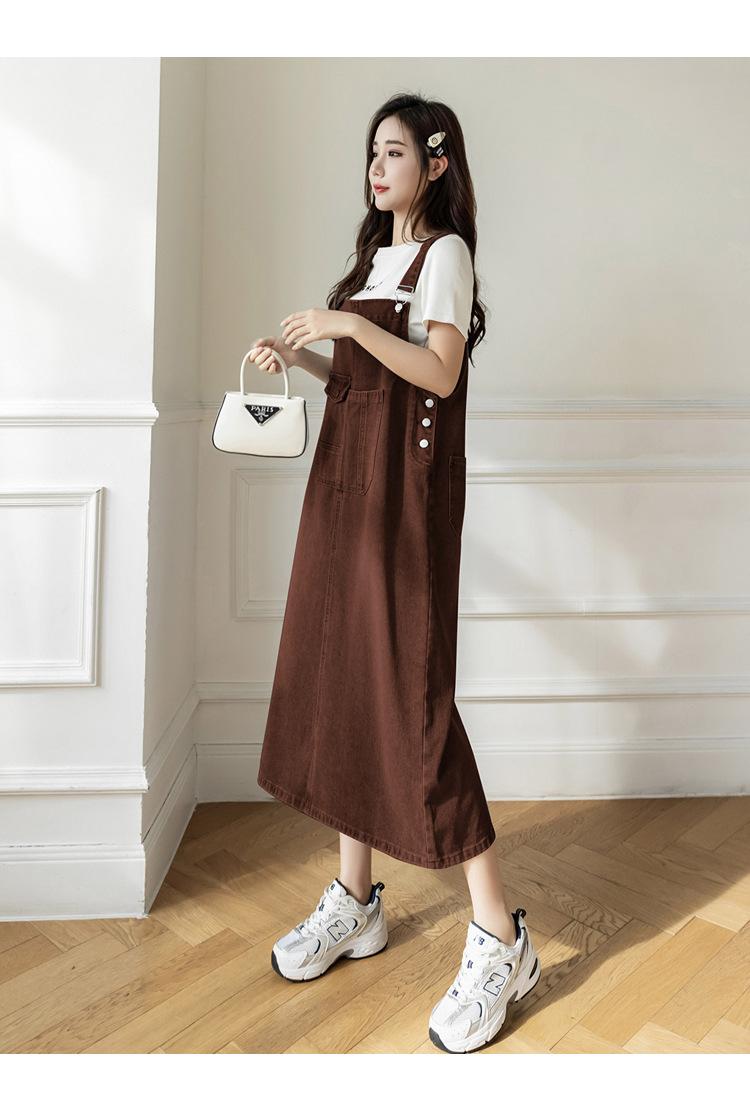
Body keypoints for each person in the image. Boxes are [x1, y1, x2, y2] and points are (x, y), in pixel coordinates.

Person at [246, 92, 540, 1053]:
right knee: (346, 681)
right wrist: (301, 356)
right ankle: (357, 897)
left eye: (396, 152)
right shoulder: (374, 259)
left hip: (404, 503)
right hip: (345, 490)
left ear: (436, 164)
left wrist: (345, 324)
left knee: (414, 702)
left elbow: (439, 374)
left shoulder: (444, 255)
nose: (377, 168)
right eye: (372, 152)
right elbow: (366, 381)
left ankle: (502, 938)